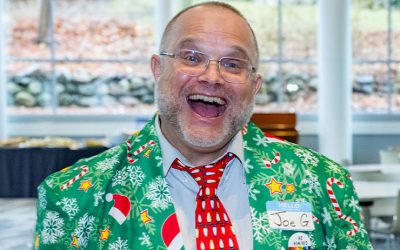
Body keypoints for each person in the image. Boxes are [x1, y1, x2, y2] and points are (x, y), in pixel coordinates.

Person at [33, 2, 372, 249]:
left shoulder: (323, 183)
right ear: (157, 69)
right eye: (191, 58)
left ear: (254, 86)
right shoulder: (74, 196)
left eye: (232, 64)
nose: (212, 77)